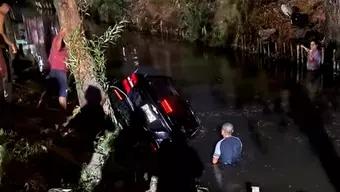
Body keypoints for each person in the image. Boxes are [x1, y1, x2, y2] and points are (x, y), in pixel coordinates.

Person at [48, 27, 68, 110]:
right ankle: (63, 114)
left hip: (54, 69)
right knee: (62, 93)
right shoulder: (58, 38)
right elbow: (57, 47)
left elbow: (49, 59)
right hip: (59, 71)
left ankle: (58, 114)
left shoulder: (59, 40)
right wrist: (61, 34)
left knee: (57, 93)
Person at [0, 2, 16, 100]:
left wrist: (11, 44)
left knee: (4, 71)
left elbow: (1, 34)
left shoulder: (2, 15)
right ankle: (4, 96)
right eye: (8, 7)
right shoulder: (0, 14)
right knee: (3, 71)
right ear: (3, 5)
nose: (9, 10)